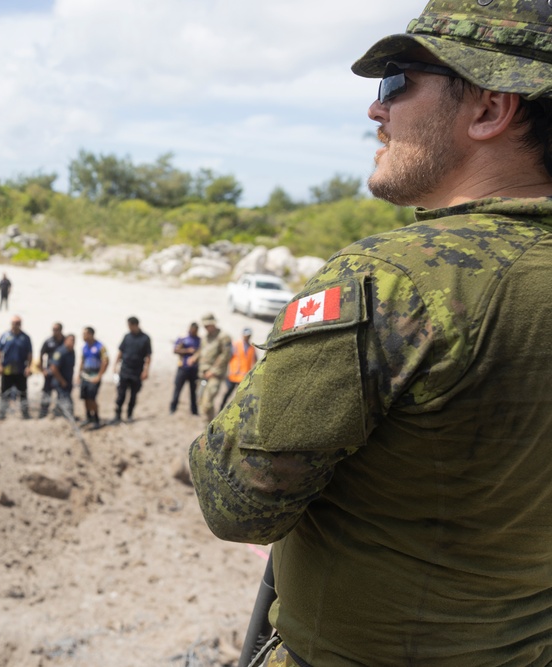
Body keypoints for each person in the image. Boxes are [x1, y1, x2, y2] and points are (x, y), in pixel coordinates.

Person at [190, 2, 552, 665]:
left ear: (490, 110)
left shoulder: (392, 280)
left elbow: (234, 499)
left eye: (398, 81)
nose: (375, 111)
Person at [110, 316, 151, 424]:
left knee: (133, 395)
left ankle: (129, 415)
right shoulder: (127, 336)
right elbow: (120, 351)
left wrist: (146, 370)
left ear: (134, 325)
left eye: (129, 325)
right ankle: (117, 415)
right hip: (125, 369)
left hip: (137, 371)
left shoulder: (145, 338)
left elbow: (148, 356)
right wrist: (115, 365)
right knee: (121, 394)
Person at [196, 314, 232, 423]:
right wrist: (194, 357)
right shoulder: (206, 337)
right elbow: (202, 351)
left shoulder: (223, 336)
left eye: (208, 325)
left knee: (207, 401)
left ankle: (209, 424)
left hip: (215, 375)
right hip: (203, 373)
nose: (206, 328)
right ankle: (209, 424)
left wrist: (213, 371)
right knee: (202, 401)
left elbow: (225, 355)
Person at [0, 315, 32, 419]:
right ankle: (1, 414)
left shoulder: (25, 337)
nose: (16, 325)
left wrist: (28, 367)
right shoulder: (5, 336)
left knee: (23, 392)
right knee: (5, 392)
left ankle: (25, 414)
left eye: (18, 323)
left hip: (20, 369)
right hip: (7, 369)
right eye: (14, 323)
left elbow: (29, 353)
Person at [217, 327, 255, 411]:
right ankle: (220, 409)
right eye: (246, 335)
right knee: (227, 394)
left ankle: (238, 411)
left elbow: (254, 362)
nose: (247, 337)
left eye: (249, 336)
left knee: (241, 397)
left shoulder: (252, 348)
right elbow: (227, 357)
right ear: (242, 335)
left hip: (243, 378)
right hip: (233, 375)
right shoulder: (236, 345)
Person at [78, 326, 109, 429]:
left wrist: (99, 375)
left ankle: (96, 419)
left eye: (85, 334)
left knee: (92, 398)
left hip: (94, 375)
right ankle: (88, 417)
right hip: (85, 375)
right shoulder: (85, 347)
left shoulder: (100, 346)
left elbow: (105, 361)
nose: (83, 336)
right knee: (85, 397)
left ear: (91, 334)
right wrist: (79, 374)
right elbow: (82, 361)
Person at [170, 322, 200, 415]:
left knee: (193, 391)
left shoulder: (199, 340)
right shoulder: (183, 338)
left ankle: (194, 411)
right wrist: (188, 350)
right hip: (183, 367)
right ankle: (173, 408)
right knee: (177, 389)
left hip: (194, 369)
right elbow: (175, 350)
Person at [38, 322, 65, 418]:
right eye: (53, 330)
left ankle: (58, 412)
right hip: (50, 371)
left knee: (60, 393)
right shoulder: (49, 341)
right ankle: (43, 412)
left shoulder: (64, 341)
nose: (54, 332)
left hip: (61, 372)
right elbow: (41, 353)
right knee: (46, 392)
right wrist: (42, 369)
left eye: (56, 330)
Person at [48, 334, 76, 418]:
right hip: (60, 381)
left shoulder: (72, 351)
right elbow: (53, 368)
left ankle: (56, 413)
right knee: (66, 400)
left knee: (61, 399)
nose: (72, 342)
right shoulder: (60, 352)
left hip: (68, 380)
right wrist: (61, 380)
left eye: (74, 340)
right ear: (65, 341)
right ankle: (68, 417)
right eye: (70, 340)